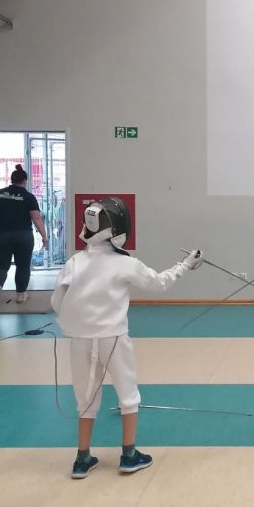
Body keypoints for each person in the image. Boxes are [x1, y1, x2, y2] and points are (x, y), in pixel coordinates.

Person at [51, 196, 203, 479]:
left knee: (85, 399)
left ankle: (82, 459)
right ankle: (129, 456)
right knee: (128, 396)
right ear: (118, 228)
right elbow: (159, 283)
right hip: (114, 339)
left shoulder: (74, 262)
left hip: (80, 340)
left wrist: (80, 319)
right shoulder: (125, 264)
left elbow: (56, 302)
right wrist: (185, 265)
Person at [0, 164, 48, 304]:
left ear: (12, 179)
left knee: (0, 265)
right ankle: (21, 295)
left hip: (0, 235)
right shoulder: (28, 197)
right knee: (23, 266)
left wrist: (0, 224)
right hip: (23, 236)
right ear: (25, 181)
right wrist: (44, 236)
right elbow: (36, 218)